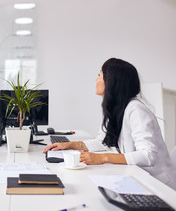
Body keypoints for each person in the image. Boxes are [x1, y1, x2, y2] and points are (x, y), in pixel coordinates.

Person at [43, 58, 176, 190]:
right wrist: (70, 145)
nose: (96, 80)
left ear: (111, 81)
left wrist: (103, 157)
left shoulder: (136, 109)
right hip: (137, 177)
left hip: (158, 184)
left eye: (99, 75)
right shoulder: (115, 108)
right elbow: (103, 141)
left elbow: (148, 155)